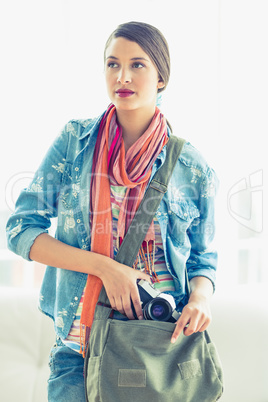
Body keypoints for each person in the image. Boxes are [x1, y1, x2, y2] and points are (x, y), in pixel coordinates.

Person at [6, 21, 218, 402]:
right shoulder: (75, 142)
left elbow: (204, 259)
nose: (123, 76)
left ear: (161, 78)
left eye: (138, 65)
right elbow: (21, 230)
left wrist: (200, 299)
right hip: (80, 350)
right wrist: (107, 269)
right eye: (112, 64)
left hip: (160, 347)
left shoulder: (192, 166)